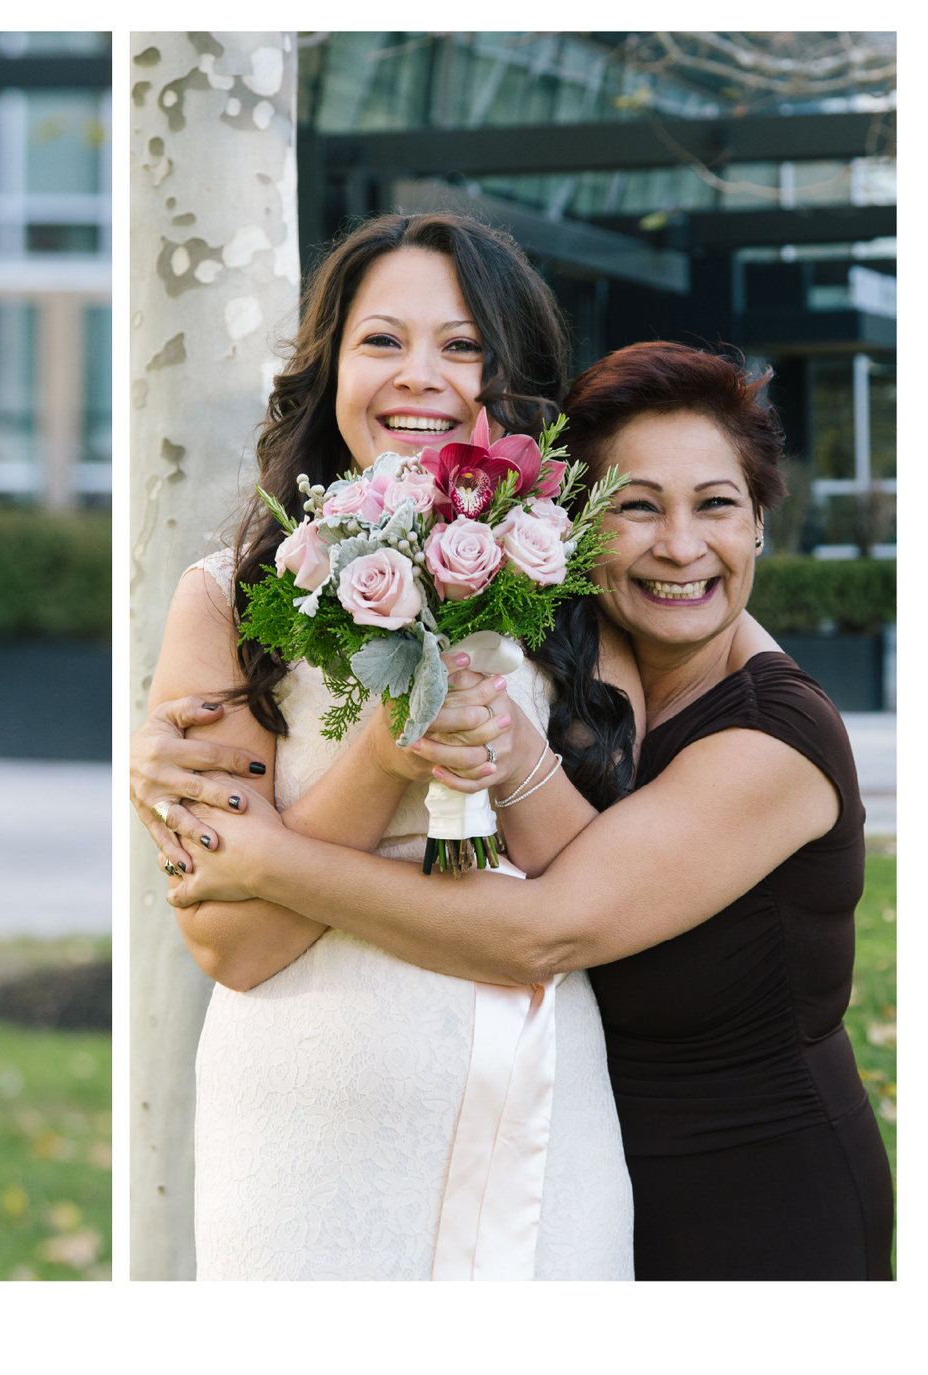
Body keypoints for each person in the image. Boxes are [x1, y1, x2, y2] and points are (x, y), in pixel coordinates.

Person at [167, 341, 894, 1280]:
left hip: (759, 1214)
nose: (681, 545)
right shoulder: (595, 680)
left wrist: (267, 863)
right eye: (639, 505)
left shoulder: (774, 744)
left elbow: (542, 930)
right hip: (596, 1198)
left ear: (759, 526)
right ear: (578, 529)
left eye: (717, 505)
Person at [138, 212, 634, 1279]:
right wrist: (384, 756)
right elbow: (239, 947)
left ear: (512, 380)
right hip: (302, 1138)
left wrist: (506, 756)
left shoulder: (574, 589)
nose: (423, 378)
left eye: (462, 346)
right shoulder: (223, 602)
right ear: (327, 369)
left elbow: (596, 888)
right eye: (382, 341)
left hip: (543, 1117)